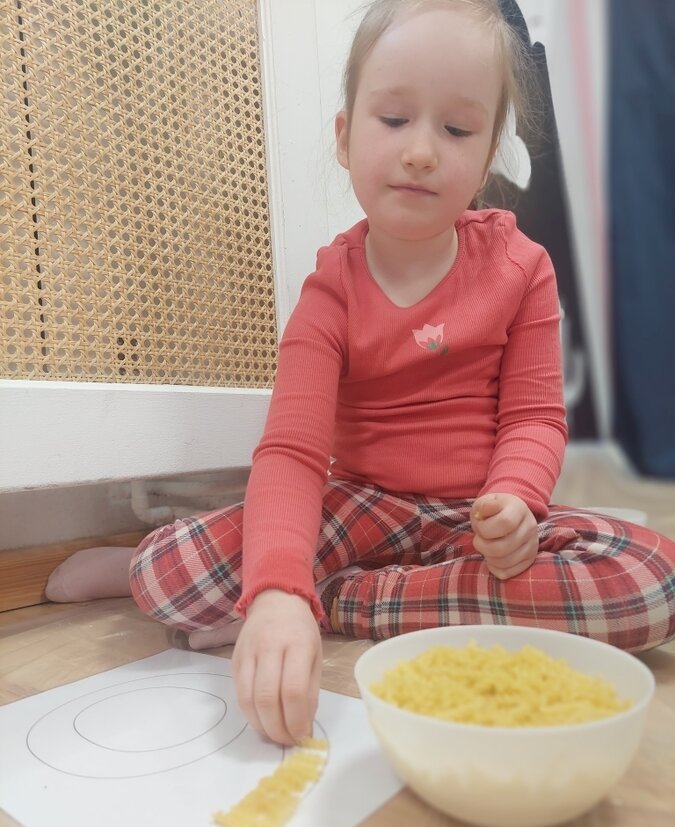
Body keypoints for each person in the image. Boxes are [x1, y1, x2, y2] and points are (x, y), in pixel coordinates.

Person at [46, 0, 675, 747]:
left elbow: (534, 417)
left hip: (472, 523)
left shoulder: (522, 266)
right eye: (394, 119)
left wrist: (516, 498)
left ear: (486, 158)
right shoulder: (331, 289)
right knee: (167, 576)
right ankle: (262, 584)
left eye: (457, 130)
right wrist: (277, 590)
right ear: (345, 138)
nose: (421, 152)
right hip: (358, 509)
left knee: (650, 580)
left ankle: (338, 602)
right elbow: (292, 453)